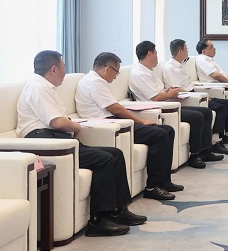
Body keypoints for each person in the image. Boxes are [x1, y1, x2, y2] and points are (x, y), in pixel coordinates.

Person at [16, 50, 145, 237]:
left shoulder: (45, 87)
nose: (65, 71)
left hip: (58, 139)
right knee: (104, 159)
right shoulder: (38, 88)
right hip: (46, 142)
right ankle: (98, 220)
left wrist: (71, 127)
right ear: (53, 69)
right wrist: (75, 126)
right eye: (63, 67)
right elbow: (57, 122)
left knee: (115, 153)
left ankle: (118, 210)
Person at [75, 52, 183, 201]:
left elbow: (115, 107)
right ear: (107, 68)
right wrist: (140, 121)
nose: (116, 77)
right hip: (106, 124)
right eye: (116, 72)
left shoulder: (97, 80)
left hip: (113, 121)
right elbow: (115, 109)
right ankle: (153, 187)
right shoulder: (94, 82)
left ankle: (164, 182)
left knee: (167, 130)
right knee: (160, 134)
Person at [128, 41, 224, 169]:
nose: (157, 56)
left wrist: (168, 91)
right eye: (156, 53)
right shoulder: (139, 74)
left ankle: (205, 151)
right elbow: (155, 97)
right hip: (160, 108)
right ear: (150, 53)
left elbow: (159, 91)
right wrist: (170, 93)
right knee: (197, 116)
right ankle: (194, 155)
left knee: (205, 112)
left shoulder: (149, 71)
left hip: (168, 103)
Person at [163, 39, 228, 147]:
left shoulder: (180, 65)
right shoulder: (170, 68)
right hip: (188, 97)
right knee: (220, 108)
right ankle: (215, 141)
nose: (187, 51)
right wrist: (199, 96)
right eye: (186, 49)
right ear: (180, 51)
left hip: (193, 93)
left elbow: (188, 84)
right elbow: (176, 89)